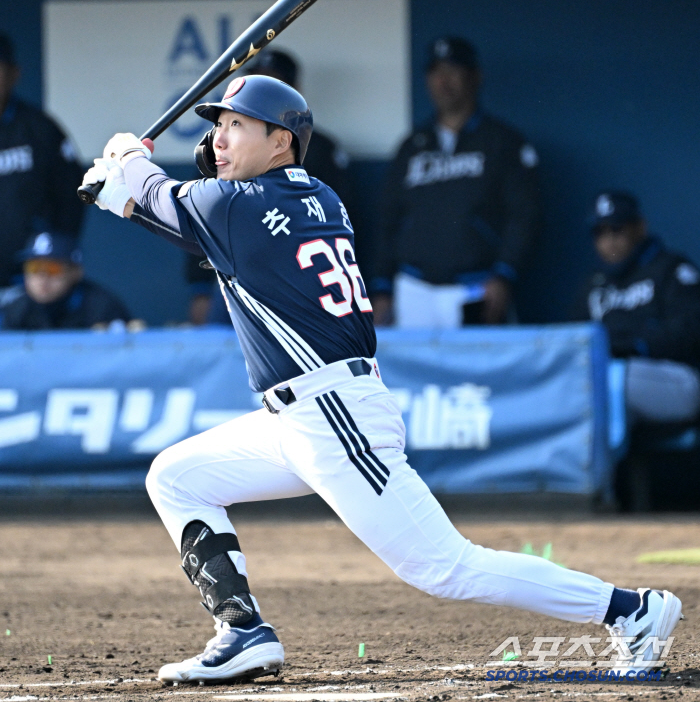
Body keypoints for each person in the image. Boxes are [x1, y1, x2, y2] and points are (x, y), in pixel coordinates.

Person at [81, 74, 681, 685]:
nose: (219, 138)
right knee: (178, 476)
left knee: (446, 567)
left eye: (236, 125)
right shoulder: (310, 197)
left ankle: (630, 610)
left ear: (282, 141)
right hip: (298, 417)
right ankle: (241, 629)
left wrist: (126, 163)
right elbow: (188, 223)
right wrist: (123, 194)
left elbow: (169, 199)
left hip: (332, 415)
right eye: (219, 126)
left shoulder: (238, 207)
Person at [371, 37, 539, 327]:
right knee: (412, 372)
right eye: (436, 72)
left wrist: (504, 275)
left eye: (453, 70)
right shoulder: (412, 146)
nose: (443, 80)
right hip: (413, 288)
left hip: (475, 285)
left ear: (475, 76)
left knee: (477, 372)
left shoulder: (501, 142)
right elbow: (388, 221)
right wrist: (382, 288)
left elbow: (525, 216)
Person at [188, 49, 355, 325]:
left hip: (293, 282)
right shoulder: (224, 148)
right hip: (230, 276)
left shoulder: (321, 152)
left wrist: (133, 165)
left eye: (271, 83)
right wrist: (199, 288)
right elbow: (196, 218)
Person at [573, 191, 700, 425]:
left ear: (640, 227)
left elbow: (691, 331)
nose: (609, 241)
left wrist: (632, 344)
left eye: (617, 229)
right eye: (600, 233)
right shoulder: (593, 284)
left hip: (676, 380)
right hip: (609, 378)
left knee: (609, 379)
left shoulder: (672, 270)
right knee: (582, 383)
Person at [0, 32, 84, 290]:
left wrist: (55, 257)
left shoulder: (39, 129)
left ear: (14, 73)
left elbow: (72, 197)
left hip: (30, 280)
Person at [0, 231, 130, 330]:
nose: (42, 277)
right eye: (33, 268)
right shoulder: (17, 307)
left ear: (75, 273)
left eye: (53, 269)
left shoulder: (101, 306)